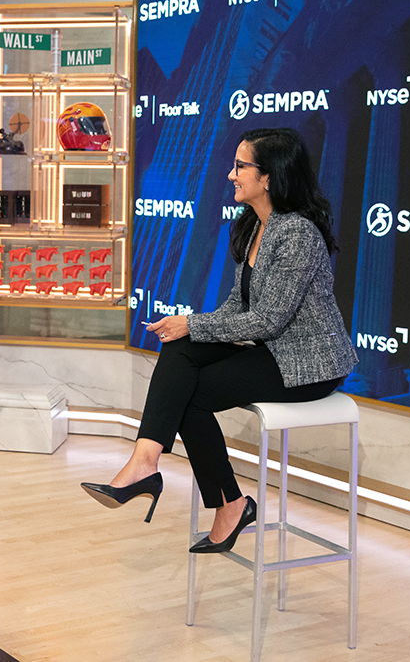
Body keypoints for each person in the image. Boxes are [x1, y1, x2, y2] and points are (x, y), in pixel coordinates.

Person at [81, 128, 357, 553]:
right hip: (272, 350)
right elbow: (236, 306)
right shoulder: (252, 227)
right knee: (179, 353)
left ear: (269, 177)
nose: (230, 175)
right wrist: (186, 325)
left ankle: (226, 501)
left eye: (240, 166)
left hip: (307, 363)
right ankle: (148, 463)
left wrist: (193, 324)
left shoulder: (297, 234)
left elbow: (267, 320)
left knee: (188, 391)